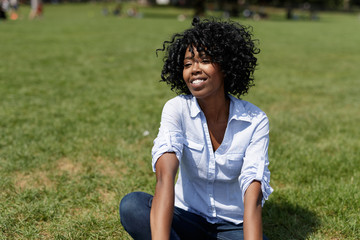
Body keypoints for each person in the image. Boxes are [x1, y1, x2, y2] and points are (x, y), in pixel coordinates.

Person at [120, 17, 273, 240]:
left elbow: (253, 193)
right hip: (185, 217)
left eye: (204, 60)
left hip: (232, 226)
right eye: (187, 64)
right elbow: (165, 177)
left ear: (226, 66)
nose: (194, 69)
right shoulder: (176, 109)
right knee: (133, 206)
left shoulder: (255, 120)